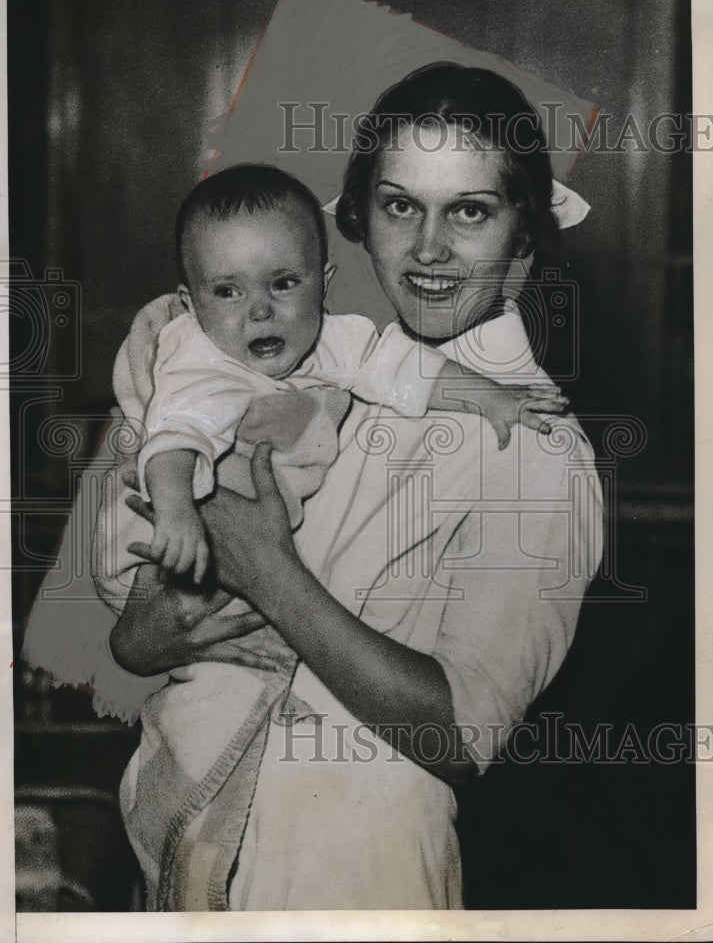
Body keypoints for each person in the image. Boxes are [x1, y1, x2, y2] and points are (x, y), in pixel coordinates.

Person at [27, 62, 604, 911]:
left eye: (470, 212)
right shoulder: (317, 367)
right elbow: (144, 639)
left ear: (525, 235)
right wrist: (145, 633)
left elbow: (458, 730)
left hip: (353, 868)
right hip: (195, 837)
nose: (429, 248)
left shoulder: (536, 448)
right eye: (401, 205)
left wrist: (267, 569)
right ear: (362, 220)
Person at [101, 162, 565, 591]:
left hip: (260, 548)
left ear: (324, 282)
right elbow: (172, 440)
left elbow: (403, 367)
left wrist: (490, 398)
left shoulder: (330, 337)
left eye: (284, 283)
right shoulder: (199, 363)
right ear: (190, 305)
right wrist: (178, 514)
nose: (260, 311)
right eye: (227, 292)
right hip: (161, 541)